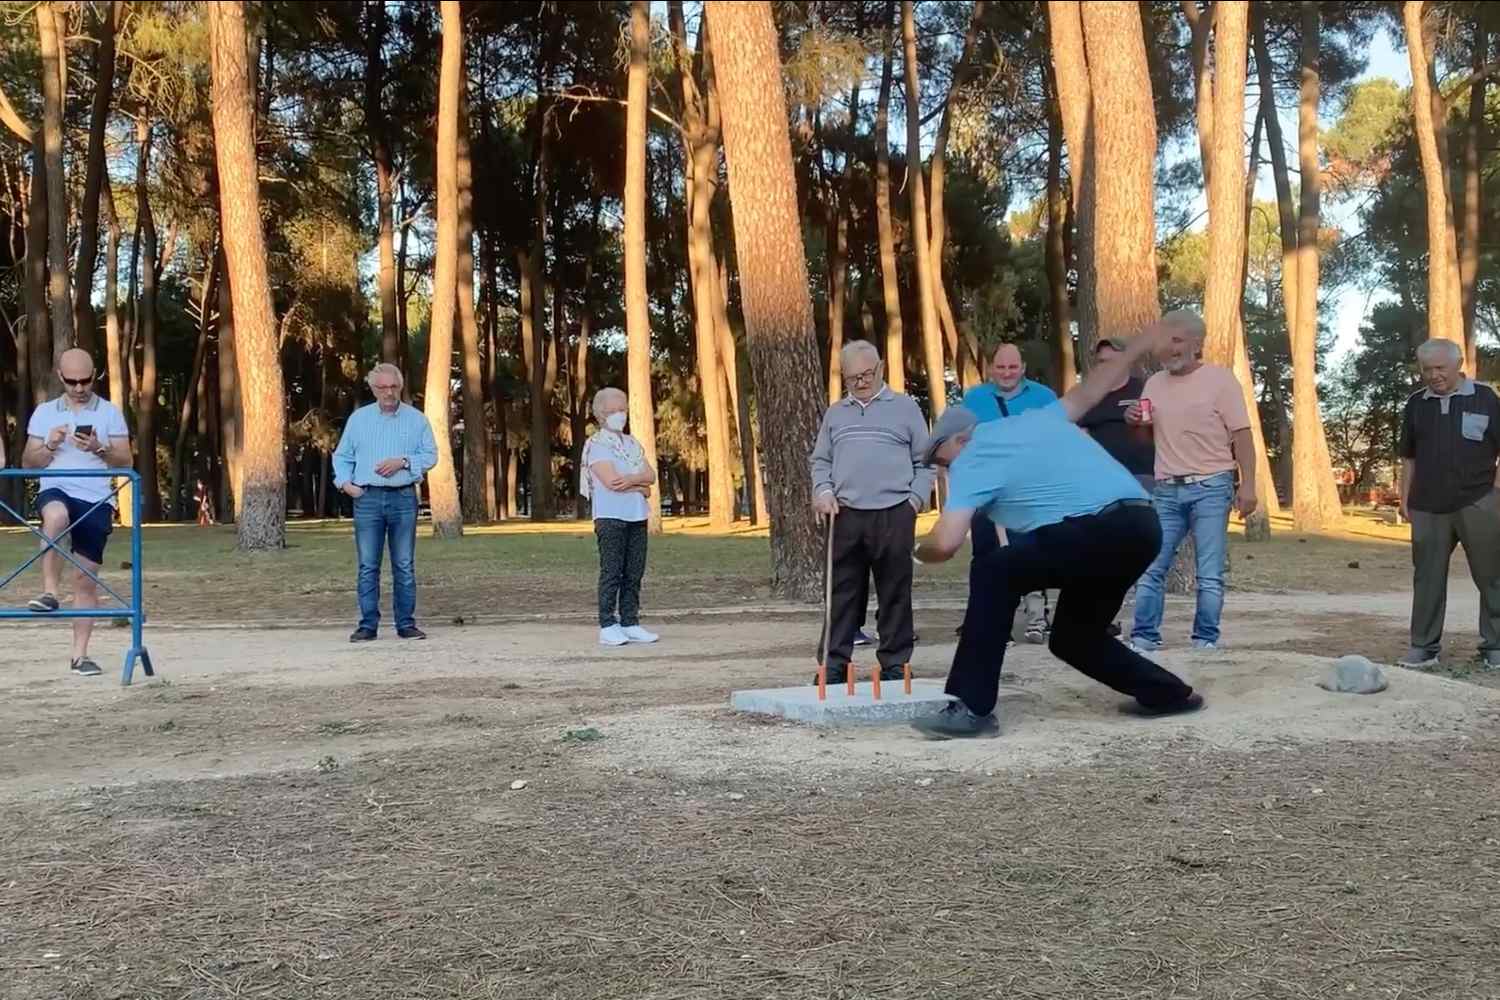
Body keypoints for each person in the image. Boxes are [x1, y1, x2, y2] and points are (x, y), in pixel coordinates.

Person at [908, 325, 1202, 740]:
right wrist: (1139, 343)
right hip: (1141, 525)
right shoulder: (1040, 417)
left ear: (959, 438)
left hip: (1097, 529)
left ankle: (972, 708)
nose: (944, 470)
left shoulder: (973, 454)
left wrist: (917, 552)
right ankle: (1169, 694)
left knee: (995, 571)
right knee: (1074, 637)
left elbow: (947, 541)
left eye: (941, 459)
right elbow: (1092, 389)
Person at [1124, 310, 1258, 653]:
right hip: (1166, 488)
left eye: (1177, 340)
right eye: (1164, 341)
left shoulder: (1221, 380)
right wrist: (1135, 423)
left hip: (1212, 485)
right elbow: (1145, 441)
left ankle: (1205, 640)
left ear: (1197, 345)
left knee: (1209, 573)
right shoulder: (1153, 384)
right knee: (1151, 566)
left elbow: (1242, 436)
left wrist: (1248, 485)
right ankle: (1144, 638)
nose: (1168, 348)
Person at [810, 340, 935, 684]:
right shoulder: (836, 413)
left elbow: (925, 464)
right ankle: (833, 667)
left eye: (867, 374)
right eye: (853, 378)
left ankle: (895, 666)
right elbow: (820, 461)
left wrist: (914, 502)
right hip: (845, 514)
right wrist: (822, 491)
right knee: (840, 593)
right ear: (844, 377)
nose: (861, 382)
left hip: (895, 512)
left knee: (895, 591)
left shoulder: (906, 408)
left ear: (880, 368)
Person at [21, 348, 134, 678]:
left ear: (94, 374)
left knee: (86, 580)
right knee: (55, 517)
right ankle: (49, 592)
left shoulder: (110, 412)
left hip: (97, 498)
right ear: (60, 377)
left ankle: (79, 656)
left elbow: (125, 460)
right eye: (72, 382)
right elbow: (29, 463)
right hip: (56, 488)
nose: (80, 388)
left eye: (86, 380)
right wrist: (51, 445)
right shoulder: (44, 412)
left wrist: (99, 447)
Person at [1398, 338, 1500, 668]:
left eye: (1440, 368)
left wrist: (1495, 493)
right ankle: (1424, 647)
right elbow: (1409, 458)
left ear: (1458, 365)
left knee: (1492, 576)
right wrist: (1405, 500)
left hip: (1478, 501)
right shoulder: (1416, 404)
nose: (1433, 375)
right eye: (1427, 369)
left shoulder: (1485, 398)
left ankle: (1495, 647)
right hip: (1427, 505)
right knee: (1427, 578)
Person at [332, 363, 438, 643]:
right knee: (368, 565)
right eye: (382, 387)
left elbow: (431, 455)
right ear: (373, 389)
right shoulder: (359, 419)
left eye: (393, 387)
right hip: (367, 498)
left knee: (404, 563)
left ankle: (406, 624)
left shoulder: (417, 420)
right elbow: (341, 456)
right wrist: (346, 485)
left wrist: (403, 461)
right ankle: (367, 625)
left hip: (403, 497)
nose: (388, 392)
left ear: (400, 387)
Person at [960, 343, 1057, 643]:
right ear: (991, 369)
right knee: (986, 556)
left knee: (1030, 553)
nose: (1006, 373)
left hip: (1030, 491)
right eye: (1000, 367)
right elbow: (963, 439)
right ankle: (985, 619)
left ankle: (1036, 620)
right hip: (987, 492)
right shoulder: (975, 399)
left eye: (1012, 367)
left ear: (1023, 368)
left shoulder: (1044, 397)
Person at [1076, 336, 1158, 637]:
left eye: (1112, 361)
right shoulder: (1089, 395)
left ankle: (1145, 628)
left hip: (1140, 481)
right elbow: (1076, 433)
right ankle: (1101, 620)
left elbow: (1162, 425)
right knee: (1098, 554)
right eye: (1101, 362)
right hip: (1098, 485)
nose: (1105, 367)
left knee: (1138, 553)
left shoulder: (1145, 388)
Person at [582, 387, 660, 647]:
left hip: (636, 516)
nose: (620, 415)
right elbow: (612, 482)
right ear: (601, 414)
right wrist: (638, 484)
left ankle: (630, 621)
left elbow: (650, 477)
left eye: (623, 409)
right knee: (612, 571)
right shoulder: (596, 445)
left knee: (634, 571)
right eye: (614, 410)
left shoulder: (631, 443)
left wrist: (635, 482)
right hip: (610, 516)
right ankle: (608, 624)